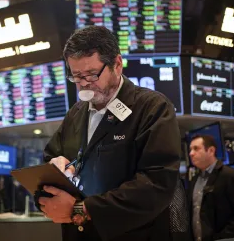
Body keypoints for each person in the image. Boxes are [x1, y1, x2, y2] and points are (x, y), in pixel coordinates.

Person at [39, 26, 190, 241]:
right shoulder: (76, 113)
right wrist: (56, 166)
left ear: (117, 64)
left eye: (92, 75)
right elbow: (49, 160)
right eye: (76, 77)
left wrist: (81, 209)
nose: (84, 85)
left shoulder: (152, 108)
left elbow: (156, 183)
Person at [189, 134, 234, 241]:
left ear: (211, 150)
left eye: (196, 149)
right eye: (190, 149)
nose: (191, 153)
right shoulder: (195, 180)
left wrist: (222, 237)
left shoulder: (231, 175)